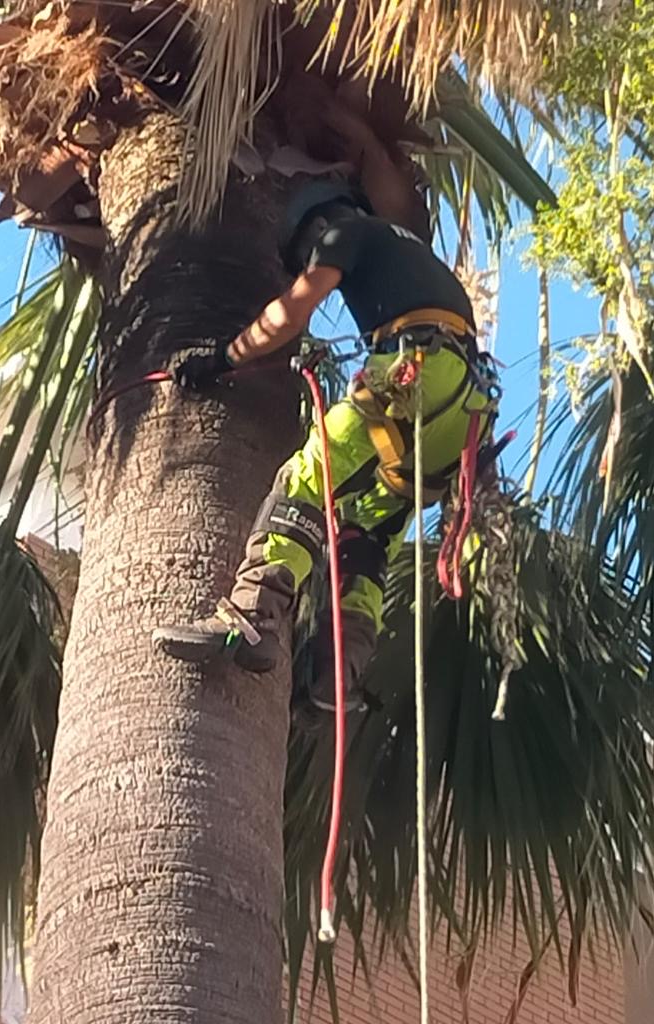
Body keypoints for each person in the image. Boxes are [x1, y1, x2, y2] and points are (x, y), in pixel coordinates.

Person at [152, 180, 494, 713]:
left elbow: (290, 314)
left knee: (309, 476)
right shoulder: (413, 252)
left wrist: (221, 359)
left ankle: (253, 613)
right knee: (367, 535)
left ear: (315, 226)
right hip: (465, 411)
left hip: (411, 374)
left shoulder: (344, 231)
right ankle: (337, 677)